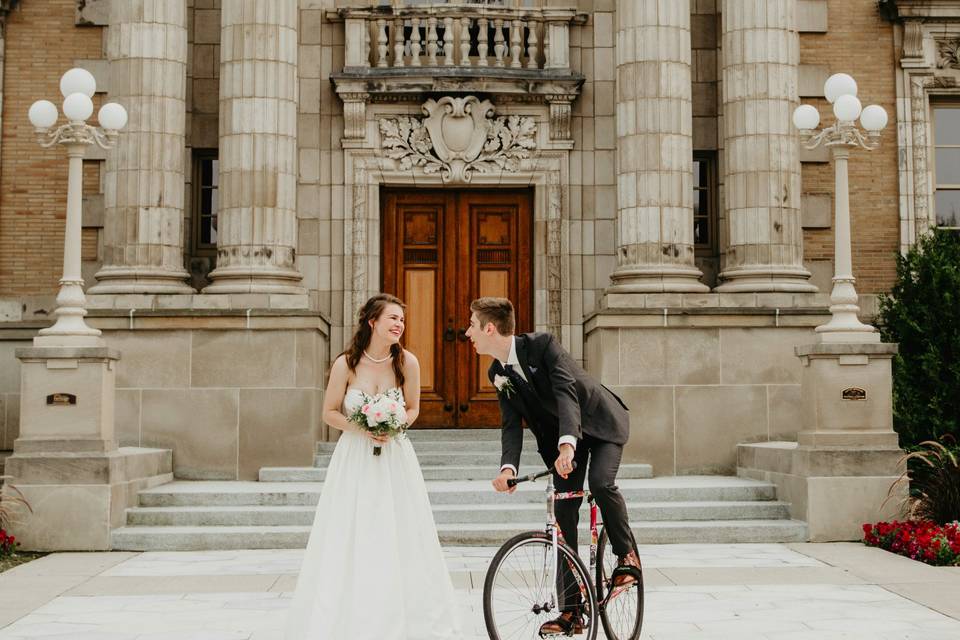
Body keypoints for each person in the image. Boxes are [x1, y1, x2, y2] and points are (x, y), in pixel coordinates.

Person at [284, 293, 462, 640]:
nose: (399, 325)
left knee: (401, 530)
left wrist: (395, 426)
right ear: (373, 322)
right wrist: (364, 428)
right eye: (393, 318)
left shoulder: (407, 362)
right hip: (354, 458)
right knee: (353, 529)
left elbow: (412, 408)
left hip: (395, 458)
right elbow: (330, 412)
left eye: (402, 320)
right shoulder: (346, 364)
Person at [464, 296, 640, 637]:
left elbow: (566, 394)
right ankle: (572, 612)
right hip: (562, 442)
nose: (467, 332)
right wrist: (507, 469)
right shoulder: (497, 372)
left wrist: (566, 445)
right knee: (562, 518)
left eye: (472, 325)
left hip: (598, 426)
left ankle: (625, 556)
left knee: (602, 484)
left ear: (489, 328)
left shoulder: (543, 346)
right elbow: (510, 424)